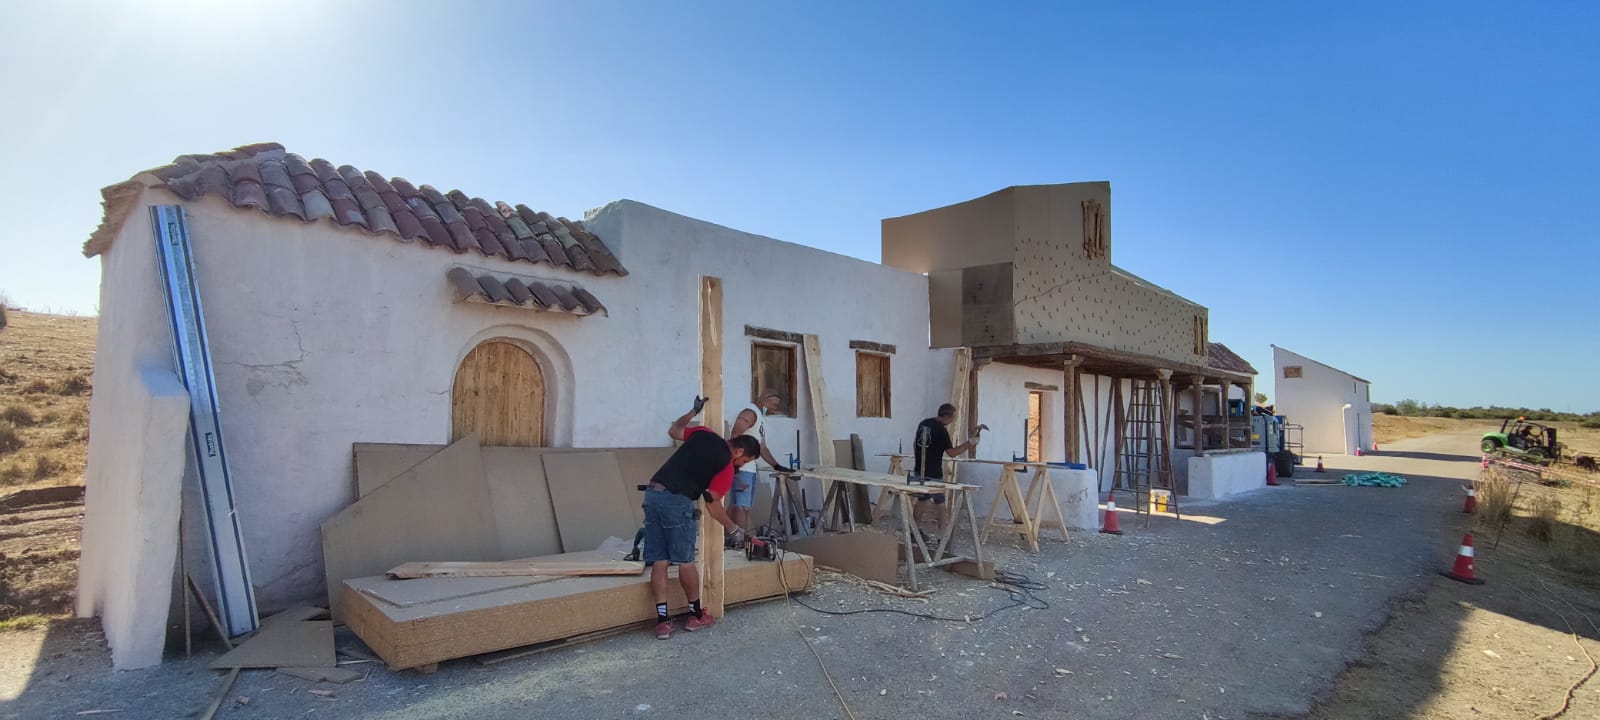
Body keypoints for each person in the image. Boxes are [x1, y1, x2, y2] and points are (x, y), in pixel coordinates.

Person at [642, 396, 761, 639]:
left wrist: (692, 411)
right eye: (744, 461)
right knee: (685, 561)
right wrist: (733, 529)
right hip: (677, 501)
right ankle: (696, 616)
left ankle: (663, 622)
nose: (741, 465)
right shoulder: (726, 467)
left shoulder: (705, 433)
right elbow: (712, 504)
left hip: (653, 495)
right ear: (739, 451)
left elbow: (674, 430)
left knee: (660, 560)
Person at [726, 390, 791, 538]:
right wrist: (734, 462)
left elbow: (762, 448)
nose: (774, 409)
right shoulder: (750, 413)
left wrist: (776, 465)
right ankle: (740, 542)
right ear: (764, 399)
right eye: (773, 404)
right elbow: (735, 434)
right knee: (741, 506)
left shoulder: (759, 417)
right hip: (742, 467)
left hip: (749, 467)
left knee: (741, 505)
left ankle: (730, 538)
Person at [911, 403, 983, 527]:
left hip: (919, 470)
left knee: (921, 501)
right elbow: (952, 453)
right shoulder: (941, 431)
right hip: (934, 473)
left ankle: (914, 531)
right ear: (946, 416)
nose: (952, 421)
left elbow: (915, 444)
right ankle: (942, 537)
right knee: (940, 505)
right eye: (952, 418)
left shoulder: (924, 423)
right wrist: (970, 443)